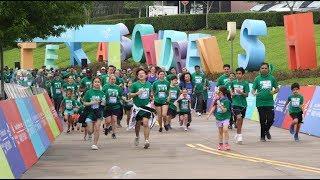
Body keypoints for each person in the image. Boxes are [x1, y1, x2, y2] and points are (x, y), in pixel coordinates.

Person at [252, 62, 279, 142]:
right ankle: (262, 136)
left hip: (269, 102)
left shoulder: (272, 78)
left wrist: (274, 92)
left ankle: (266, 130)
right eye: (262, 68)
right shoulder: (257, 79)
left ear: (268, 69)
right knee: (262, 119)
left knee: (271, 119)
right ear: (260, 69)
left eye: (265, 68)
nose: (264, 69)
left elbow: (277, 88)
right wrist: (254, 93)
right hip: (260, 102)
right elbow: (253, 89)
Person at [129, 68, 153, 149]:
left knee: (146, 123)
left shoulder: (149, 84)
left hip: (146, 107)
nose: (141, 74)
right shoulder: (135, 85)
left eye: (143, 73)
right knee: (137, 124)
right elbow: (129, 95)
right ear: (137, 76)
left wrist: (151, 97)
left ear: (146, 75)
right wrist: (136, 93)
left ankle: (147, 140)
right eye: (139, 73)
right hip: (137, 108)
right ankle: (137, 136)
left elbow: (150, 94)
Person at [83, 77, 106, 150]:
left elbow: (104, 104)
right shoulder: (88, 92)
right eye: (95, 82)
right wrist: (92, 102)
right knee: (90, 131)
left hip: (99, 112)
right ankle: (89, 133)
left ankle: (95, 144)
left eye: (98, 82)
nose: (97, 83)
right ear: (92, 83)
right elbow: (84, 103)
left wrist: (103, 102)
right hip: (90, 112)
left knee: (97, 128)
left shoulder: (102, 93)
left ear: (100, 83)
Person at [207, 86, 232, 151]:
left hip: (226, 117)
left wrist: (220, 105)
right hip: (219, 117)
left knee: (225, 130)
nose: (217, 91)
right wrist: (209, 115)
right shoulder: (217, 99)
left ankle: (226, 144)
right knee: (220, 131)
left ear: (221, 92)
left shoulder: (226, 101)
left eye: (218, 91)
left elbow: (224, 110)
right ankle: (220, 144)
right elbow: (214, 107)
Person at [230, 67, 250, 144]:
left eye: (240, 74)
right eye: (237, 74)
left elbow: (247, 95)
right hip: (235, 103)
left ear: (242, 74)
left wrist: (241, 93)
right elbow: (231, 91)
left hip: (243, 104)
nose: (238, 75)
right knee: (239, 118)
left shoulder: (245, 83)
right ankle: (240, 136)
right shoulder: (233, 82)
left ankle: (238, 133)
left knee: (241, 120)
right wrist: (232, 94)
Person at [102, 74, 124, 139]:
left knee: (114, 120)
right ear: (109, 80)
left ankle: (114, 133)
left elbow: (120, 95)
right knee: (108, 121)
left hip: (116, 106)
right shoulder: (105, 86)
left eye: (114, 79)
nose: (113, 80)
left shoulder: (118, 88)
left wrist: (124, 99)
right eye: (112, 79)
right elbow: (102, 94)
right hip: (107, 106)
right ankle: (106, 127)